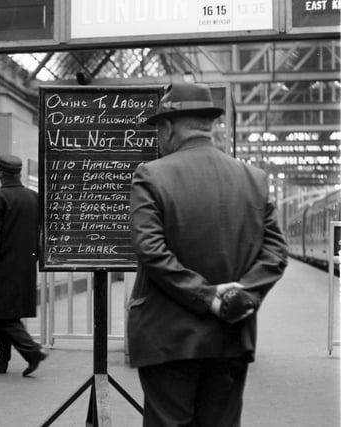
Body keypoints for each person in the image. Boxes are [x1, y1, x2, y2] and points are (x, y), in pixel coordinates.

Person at [127, 82, 288, 426]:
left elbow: (150, 250)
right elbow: (275, 251)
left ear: (168, 127)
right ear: (209, 126)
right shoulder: (254, 179)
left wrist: (206, 296)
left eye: (157, 130)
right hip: (232, 335)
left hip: (166, 338)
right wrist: (241, 295)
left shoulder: (152, 175)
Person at [0, 154, 48, 376]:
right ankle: (1, 359)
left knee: (4, 316)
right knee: (6, 314)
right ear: (19, 173)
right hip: (23, 267)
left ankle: (32, 351)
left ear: (1, 174)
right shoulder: (33, 197)